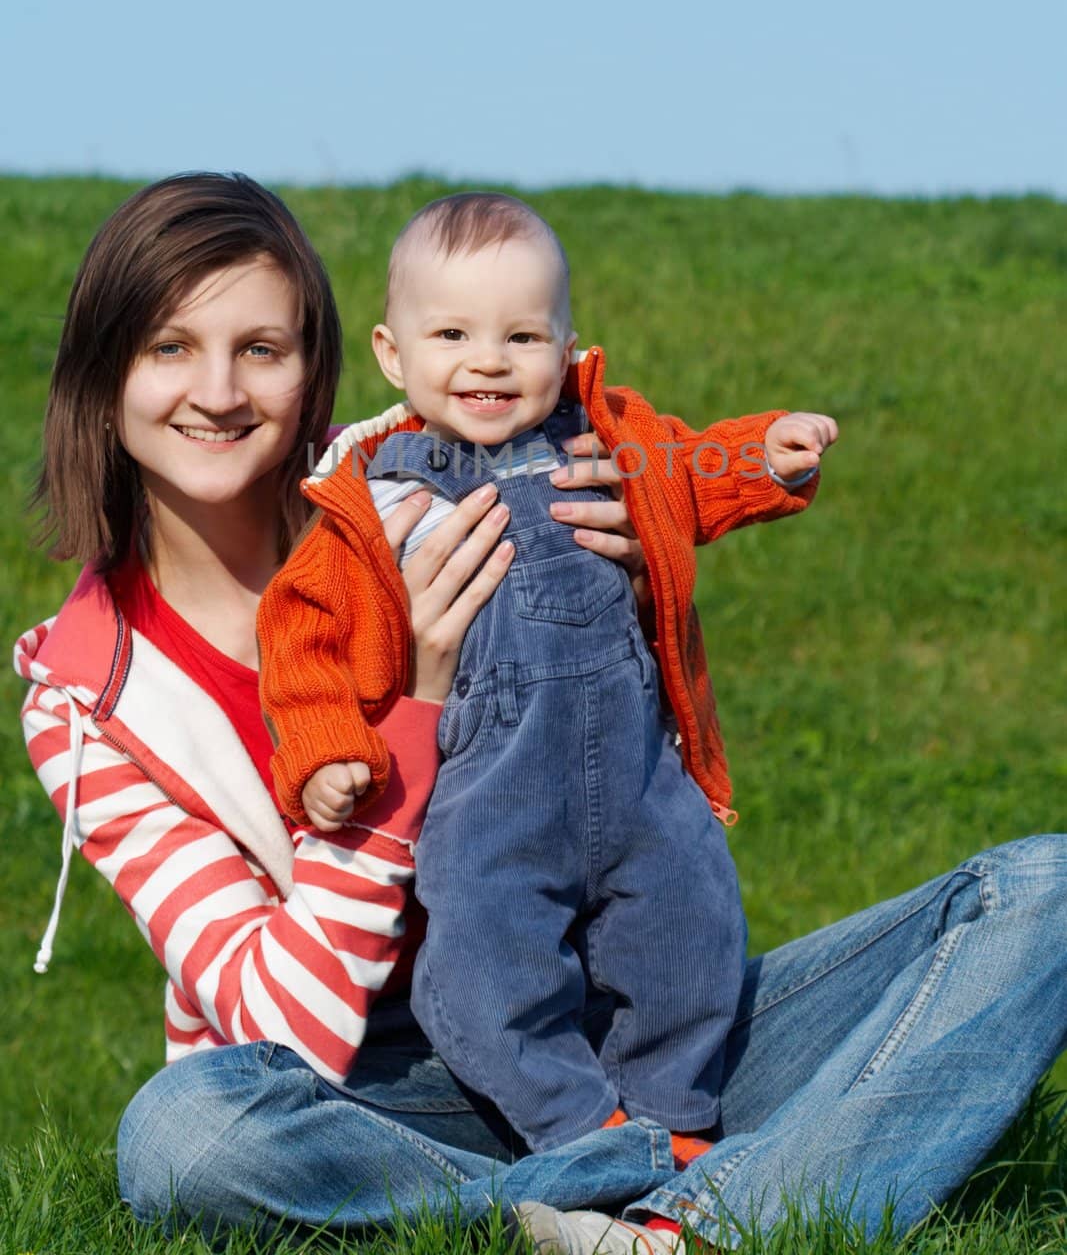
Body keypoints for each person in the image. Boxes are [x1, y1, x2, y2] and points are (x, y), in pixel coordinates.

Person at [16, 173, 1067, 1251]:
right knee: (180, 1137)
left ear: (322, 364)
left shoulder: (452, 470)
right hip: (383, 1097)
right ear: (103, 376)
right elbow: (284, 1027)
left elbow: (604, 729)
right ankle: (653, 1201)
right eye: (168, 348)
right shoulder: (86, 703)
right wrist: (415, 707)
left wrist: (633, 562)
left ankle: (666, 1214)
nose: (220, 391)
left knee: (1042, 893)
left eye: (262, 349)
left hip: (615, 1036)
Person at [258, 190, 837, 1164]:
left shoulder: (605, 441)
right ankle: (575, 1127)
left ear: (567, 345)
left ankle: (673, 1121)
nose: (487, 359)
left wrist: (765, 456)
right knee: (485, 963)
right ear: (393, 354)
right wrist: (321, 753)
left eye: (521, 334)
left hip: (642, 780)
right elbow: (299, 634)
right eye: (451, 332)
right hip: (490, 797)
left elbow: (687, 466)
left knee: (691, 936)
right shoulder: (377, 494)